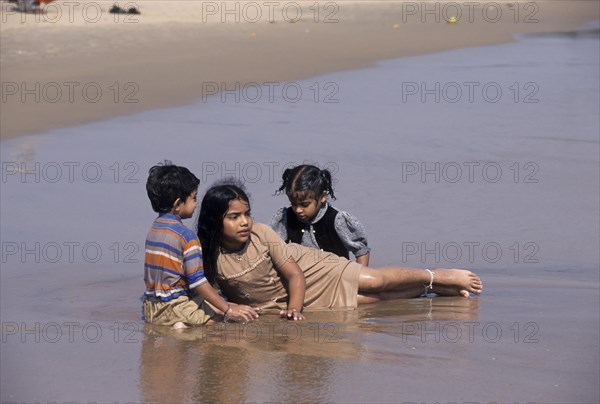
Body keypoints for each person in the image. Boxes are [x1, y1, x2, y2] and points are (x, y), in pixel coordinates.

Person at [197, 182, 483, 321]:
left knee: (376, 282)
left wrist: (294, 309)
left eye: (246, 213)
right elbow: (204, 290)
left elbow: (294, 274)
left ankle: (439, 274)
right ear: (214, 221)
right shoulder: (208, 257)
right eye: (234, 217)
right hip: (284, 301)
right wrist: (227, 309)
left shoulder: (262, 233)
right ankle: (430, 289)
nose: (244, 221)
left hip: (311, 271)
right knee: (371, 300)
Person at [142, 161, 259, 328]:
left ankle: (179, 322)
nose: (196, 203)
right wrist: (228, 310)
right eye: (194, 198)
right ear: (177, 204)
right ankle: (182, 325)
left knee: (217, 307)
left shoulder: (154, 229)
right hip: (176, 305)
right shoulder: (186, 236)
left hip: (152, 305)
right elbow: (198, 282)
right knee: (225, 322)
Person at [271, 164, 371, 266]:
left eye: (304, 204)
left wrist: (357, 280)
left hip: (335, 276)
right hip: (301, 276)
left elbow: (361, 251)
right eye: (293, 204)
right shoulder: (286, 218)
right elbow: (271, 248)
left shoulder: (337, 220)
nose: (298, 210)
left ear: (323, 196)